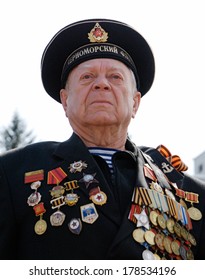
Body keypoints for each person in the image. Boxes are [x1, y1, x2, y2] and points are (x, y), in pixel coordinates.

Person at [0, 18, 205, 260]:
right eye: (87, 77)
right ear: (65, 101)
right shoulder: (13, 173)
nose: (101, 84)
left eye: (115, 77)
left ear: (135, 102)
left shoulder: (184, 189)